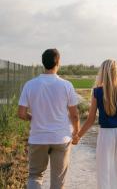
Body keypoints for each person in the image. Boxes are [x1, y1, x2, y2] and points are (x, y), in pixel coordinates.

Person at [73, 59, 117, 189]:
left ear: (102, 73)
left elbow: (90, 119)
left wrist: (78, 136)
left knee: (105, 172)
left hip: (106, 135)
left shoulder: (97, 92)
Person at [18, 48, 80, 189]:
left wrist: (33, 117)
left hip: (38, 137)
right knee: (58, 181)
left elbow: (21, 113)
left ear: (43, 63)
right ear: (58, 62)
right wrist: (76, 133)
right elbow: (75, 115)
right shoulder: (66, 85)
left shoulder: (30, 85)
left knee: (35, 176)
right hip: (61, 138)